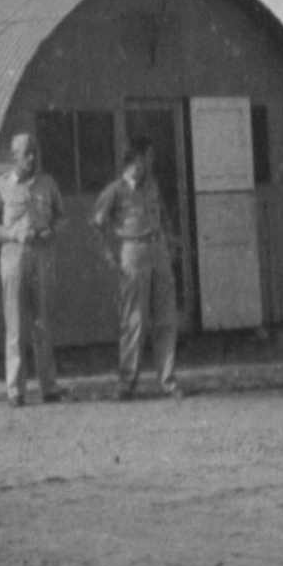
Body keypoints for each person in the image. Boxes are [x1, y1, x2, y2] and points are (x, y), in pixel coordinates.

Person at [0, 131, 65, 405]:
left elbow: (61, 217)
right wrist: (14, 234)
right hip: (14, 258)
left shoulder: (47, 184)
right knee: (15, 325)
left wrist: (52, 230)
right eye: (26, 153)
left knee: (43, 323)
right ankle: (15, 390)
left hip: (42, 256)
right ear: (13, 156)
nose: (32, 158)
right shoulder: (0, 187)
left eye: (35, 152)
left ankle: (49, 387)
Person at [91, 142, 181, 397]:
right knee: (133, 319)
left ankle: (168, 381)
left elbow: (163, 215)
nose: (151, 163)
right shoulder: (115, 190)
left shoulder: (153, 186)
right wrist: (109, 255)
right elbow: (97, 224)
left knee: (166, 317)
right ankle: (127, 382)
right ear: (137, 159)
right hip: (133, 251)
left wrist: (170, 242)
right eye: (148, 158)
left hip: (157, 250)